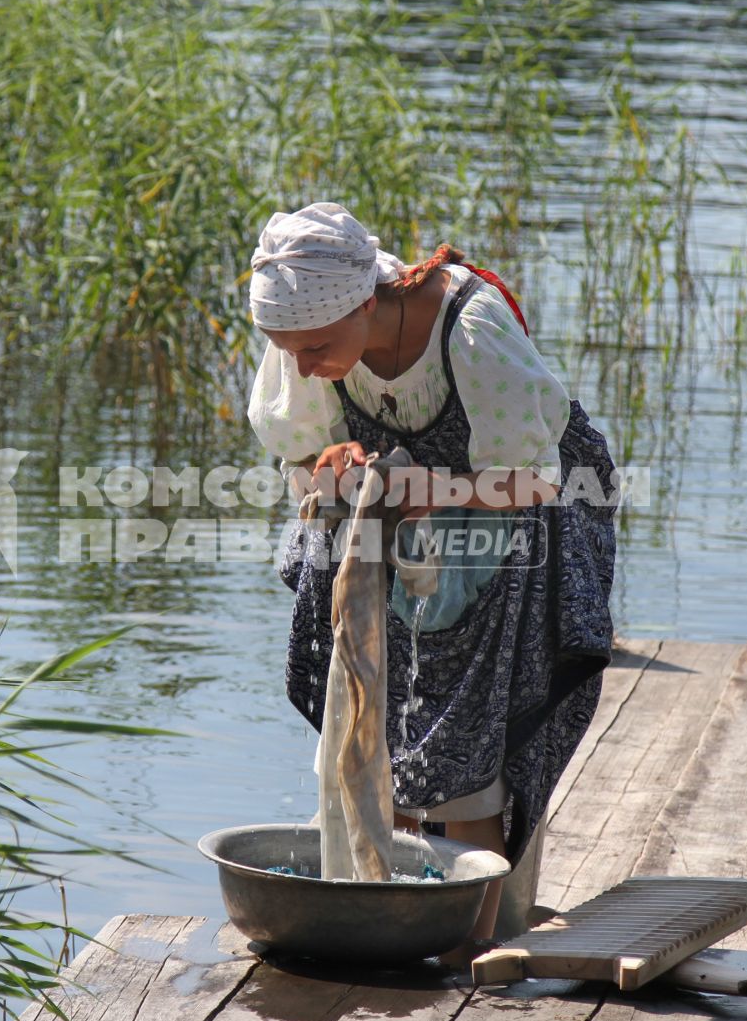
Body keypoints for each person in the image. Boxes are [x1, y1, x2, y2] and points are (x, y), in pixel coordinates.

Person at [246, 201, 618, 943]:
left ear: (364, 301)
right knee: (374, 723)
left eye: (313, 348)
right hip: (398, 529)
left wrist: (432, 492)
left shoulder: (470, 330)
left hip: (514, 518)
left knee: (473, 736)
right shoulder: (310, 335)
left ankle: (474, 942)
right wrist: (330, 466)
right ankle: (396, 918)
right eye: (286, 350)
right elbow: (303, 468)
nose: (302, 367)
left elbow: (540, 480)